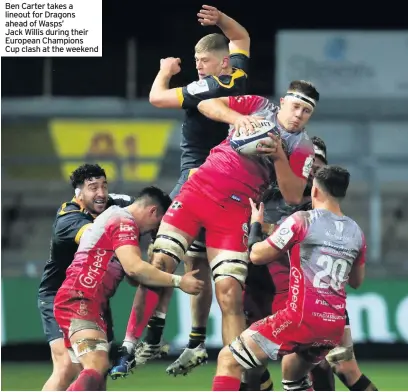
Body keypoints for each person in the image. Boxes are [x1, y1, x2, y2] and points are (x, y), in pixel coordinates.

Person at [136, 81, 317, 380]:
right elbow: (205, 104)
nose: (299, 115)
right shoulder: (259, 106)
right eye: (296, 106)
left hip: (240, 215)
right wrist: (239, 119)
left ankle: (236, 376)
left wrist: (278, 156)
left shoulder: (303, 147)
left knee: (231, 295)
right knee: (161, 261)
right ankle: (143, 341)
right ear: (283, 101)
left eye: (307, 111)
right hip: (202, 189)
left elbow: (294, 196)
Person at [110, 3, 251, 377]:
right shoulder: (238, 76)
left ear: (221, 64)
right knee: (200, 266)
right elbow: (242, 37)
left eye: (203, 59)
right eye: (194, 59)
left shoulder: (207, 86)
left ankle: (149, 337)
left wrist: (163, 72)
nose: (198, 65)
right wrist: (222, 21)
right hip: (229, 187)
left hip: (195, 180)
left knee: (162, 259)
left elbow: (157, 98)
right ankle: (195, 342)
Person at [212, 165, 366, 391]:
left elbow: (256, 255)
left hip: (300, 319)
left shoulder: (302, 220)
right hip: (333, 327)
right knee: (294, 377)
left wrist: (256, 223)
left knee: (228, 359)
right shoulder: (356, 232)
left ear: (314, 191)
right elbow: (356, 281)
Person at [53, 186, 204, 391]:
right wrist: (179, 281)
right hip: (81, 299)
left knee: (96, 380)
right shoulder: (123, 222)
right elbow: (134, 269)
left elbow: (133, 275)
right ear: (153, 212)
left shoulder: (116, 219)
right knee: (97, 366)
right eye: (156, 225)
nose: (153, 232)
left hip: (86, 300)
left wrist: (153, 270)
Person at [37, 163, 135, 390]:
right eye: (93, 187)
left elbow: (145, 205)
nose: (101, 193)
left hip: (93, 295)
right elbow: (95, 237)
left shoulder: (111, 204)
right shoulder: (68, 219)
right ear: (79, 193)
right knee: (66, 366)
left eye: (104, 186)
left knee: (98, 366)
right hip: (58, 296)